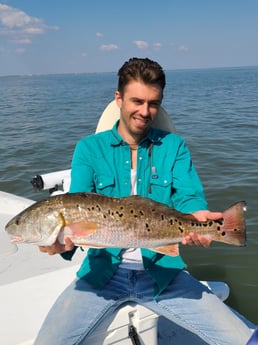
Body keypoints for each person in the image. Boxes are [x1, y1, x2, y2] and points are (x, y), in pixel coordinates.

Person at [35, 57, 253, 345]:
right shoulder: (88, 148)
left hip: (164, 272)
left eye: (153, 103)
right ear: (119, 99)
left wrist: (199, 218)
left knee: (245, 339)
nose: (145, 111)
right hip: (101, 273)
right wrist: (63, 244)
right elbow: (77, 204)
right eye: (137, 101)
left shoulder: (174, 146)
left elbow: (188, 198)